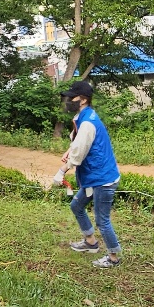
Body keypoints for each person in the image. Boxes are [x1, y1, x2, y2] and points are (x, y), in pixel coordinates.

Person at [52, 80, 122, 268]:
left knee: (102, 220)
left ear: (82, 99)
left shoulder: (88, 123)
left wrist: (61, 172)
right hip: (93, 178)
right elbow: (77, 144)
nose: (68, 100)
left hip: (103, 179)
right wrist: (69, 149)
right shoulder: (83, 116)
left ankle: (114, 257)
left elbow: (79, 154)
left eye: (71, 97)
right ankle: (90, 242)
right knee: (76, 206)